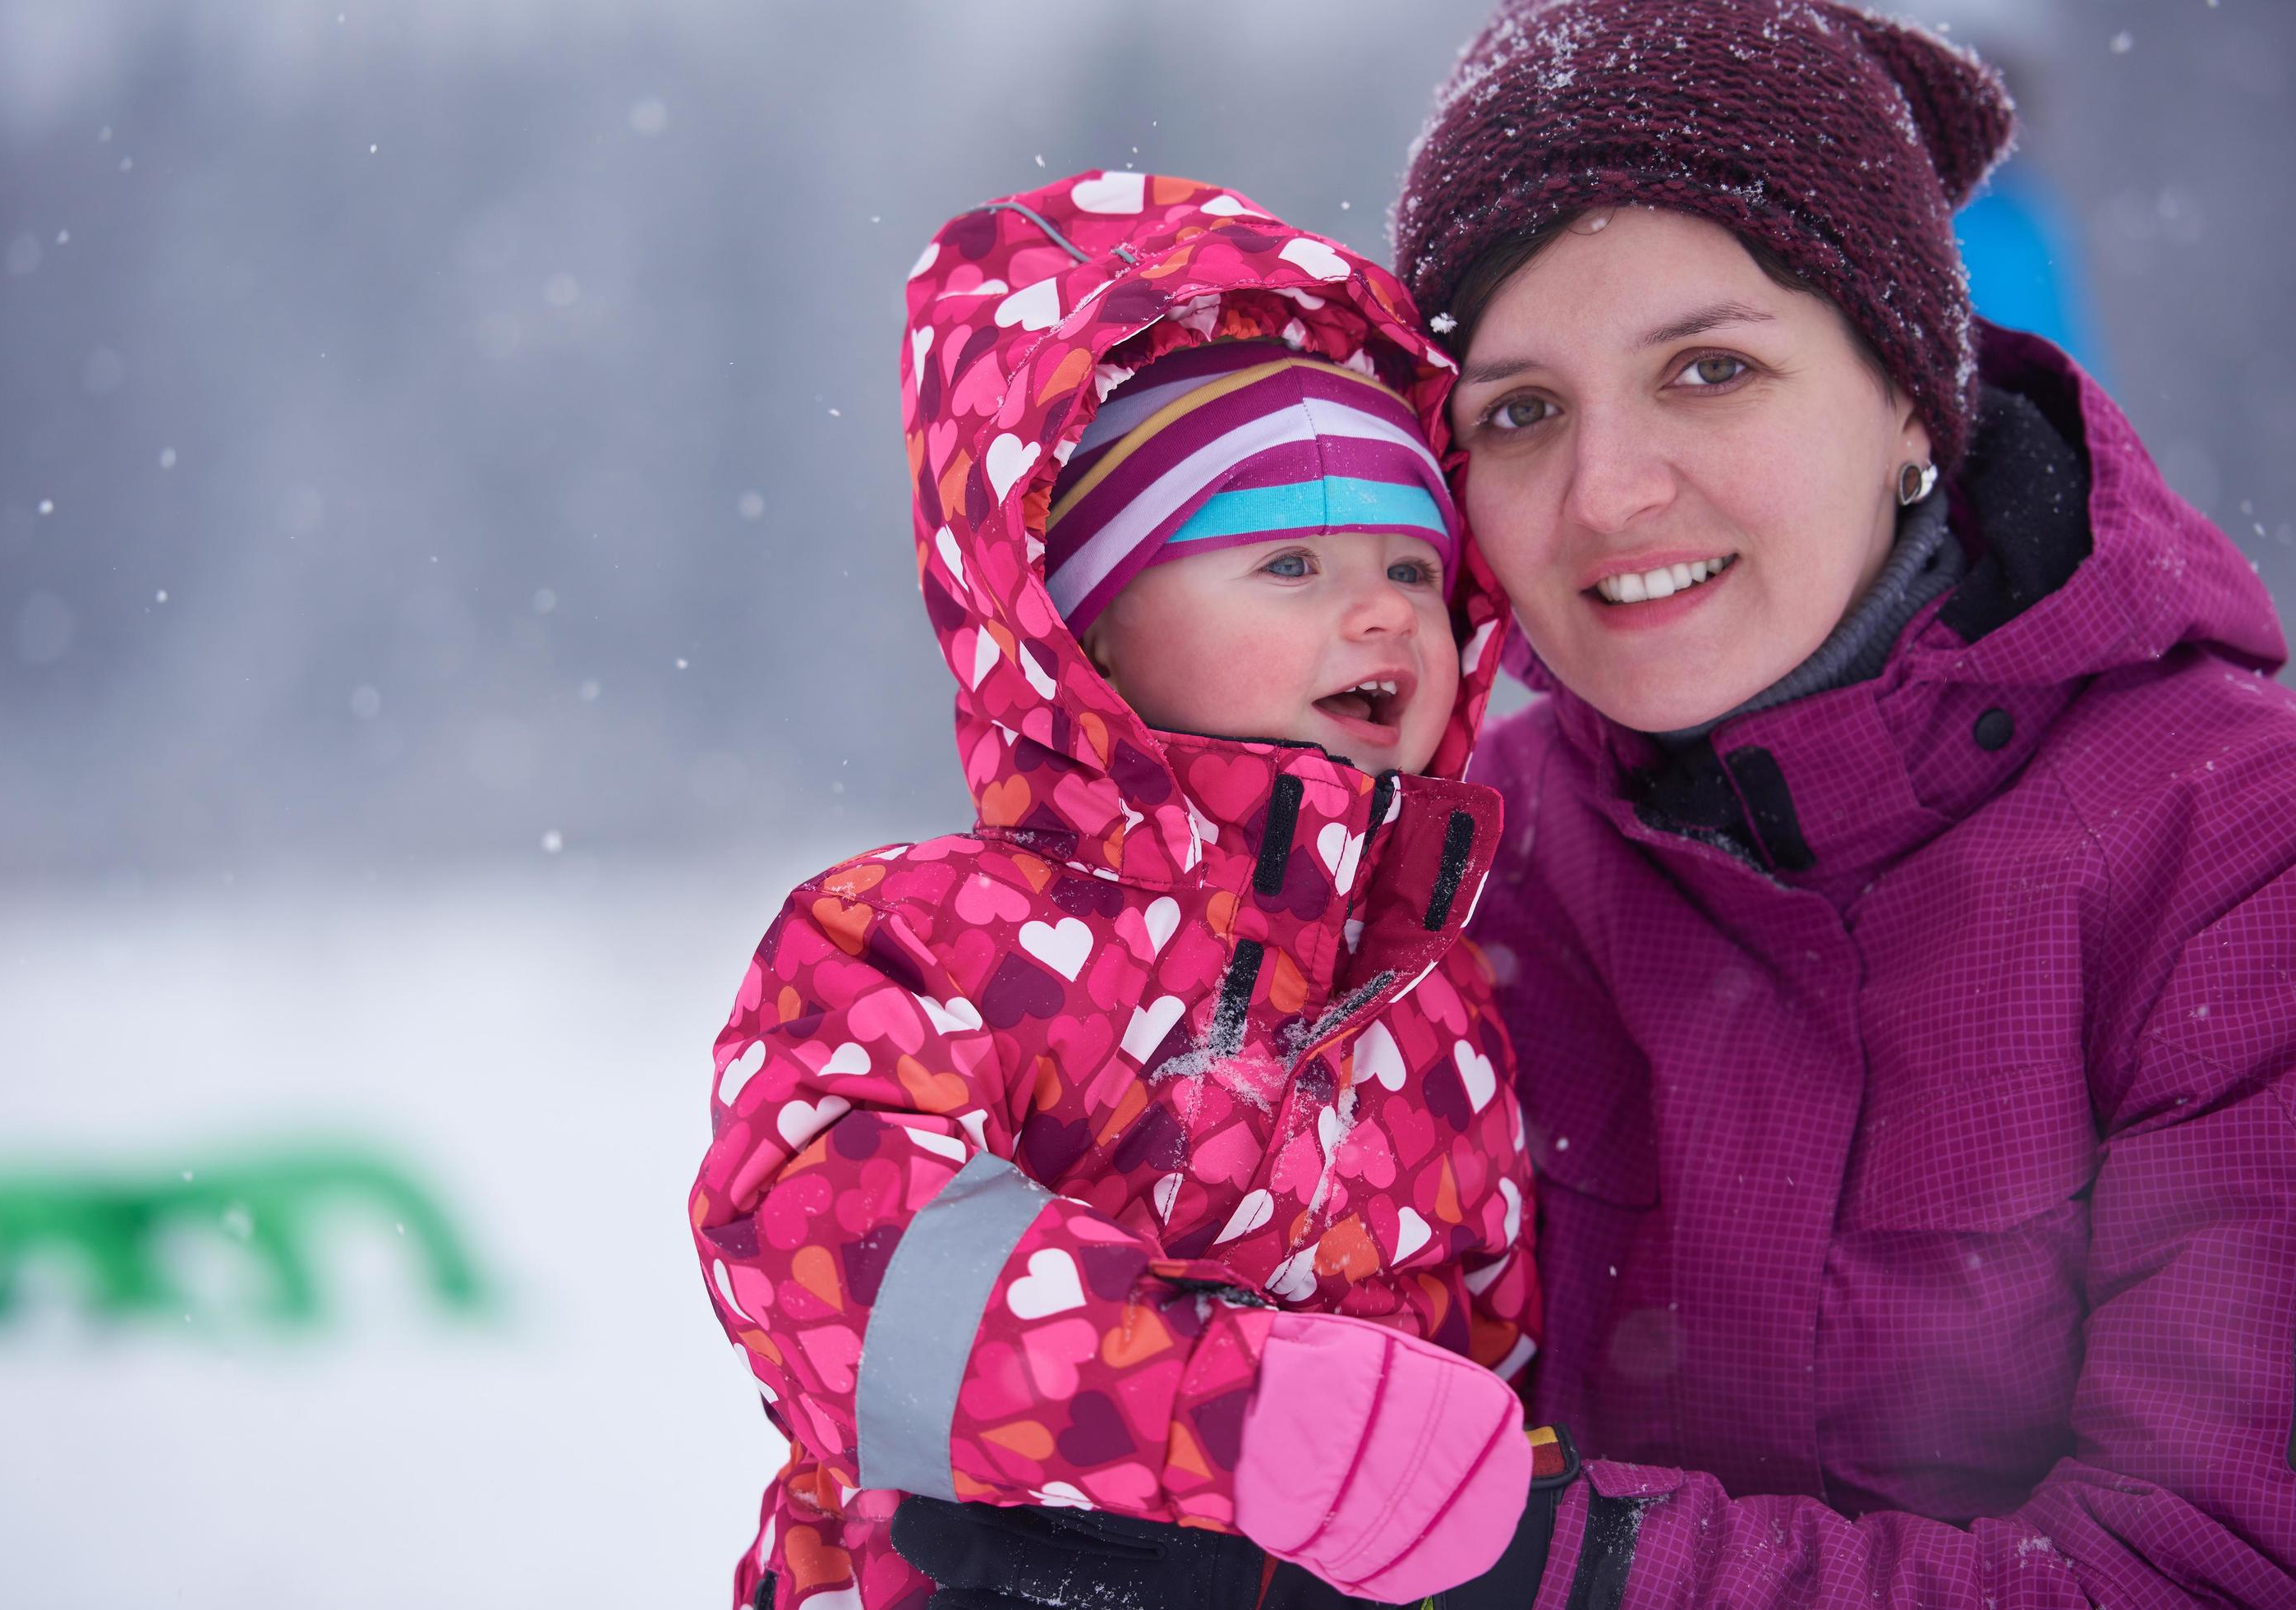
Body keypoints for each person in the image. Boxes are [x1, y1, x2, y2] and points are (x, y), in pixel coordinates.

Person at [898, 0, 2296, 1604]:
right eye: (1519, 409)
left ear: (1914, 394)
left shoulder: (2228, 847)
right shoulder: (1438, 874)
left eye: (1708, 370)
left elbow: (2208, 1562)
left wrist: (1514, 1565)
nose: (1606, 492)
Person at [692, 169, 1558, 1610]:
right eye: (1286, 561)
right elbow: (831, 1259)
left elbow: (1490, 1346)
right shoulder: (927, 939)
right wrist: (1238, 1419)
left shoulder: (1432, 992)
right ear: (1081, 627)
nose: (1381, 610)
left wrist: (1497, 1513)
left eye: (1413, 563)